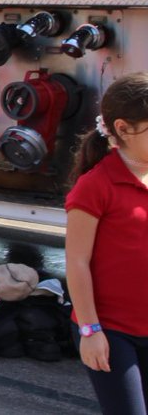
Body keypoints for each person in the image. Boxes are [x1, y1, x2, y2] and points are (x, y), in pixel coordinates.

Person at [65, 72, 148, 415]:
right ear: (123, 129)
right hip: (112, 331)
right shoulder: (96, 185)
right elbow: (77, 263)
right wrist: (90, 330)